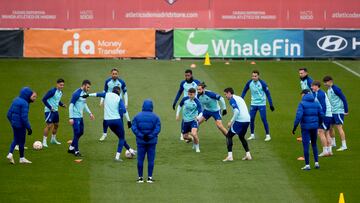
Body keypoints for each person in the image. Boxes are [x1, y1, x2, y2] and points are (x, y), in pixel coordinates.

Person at [83, 86, 136, 160]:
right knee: (121, 138)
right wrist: (129, 121)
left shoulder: (106, 94)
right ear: (119, 92)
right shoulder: (119, 99)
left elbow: (97, 94)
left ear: (112, 91)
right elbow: (124, 110)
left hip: (108, 122)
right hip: (117, 121)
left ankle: (131, 150)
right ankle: (117, 157)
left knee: (120, 137)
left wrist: (88, 95)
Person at [292, 89, 324, 170]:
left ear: (304, 94)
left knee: (306, 145)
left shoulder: (302, 103)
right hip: (314, 127)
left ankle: (307, 165)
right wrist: (319, 124)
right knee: (314, 144)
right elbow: (321, 115)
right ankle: (317, 163)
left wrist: (294, 127)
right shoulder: (316, 103)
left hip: (305, 127)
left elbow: (298, 116)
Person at [132, 99, 161, 183]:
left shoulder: (137, 116)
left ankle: (140, 178)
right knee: (151, 160)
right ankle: (149, 178)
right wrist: (150, 136)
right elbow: (158, 128)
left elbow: (134, 127)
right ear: (152, 107)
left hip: (141, 141)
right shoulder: (156, 117)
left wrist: (141, 135)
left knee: (140, 159)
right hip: (152, 141)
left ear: (143, 106)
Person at [241, 70, 274, 141]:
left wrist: (271, 104)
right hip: (253, 104)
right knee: (251, 119)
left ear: (258, 76)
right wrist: (241, 99)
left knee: (263, 119)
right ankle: (252, 135)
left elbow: (268, 94)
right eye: (252, 76)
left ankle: (268, 135)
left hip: (262, 104)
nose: (254, 77)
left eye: (255, 76)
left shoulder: (263, 83)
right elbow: (244, 91)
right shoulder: (249, 83)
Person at [6, 87, 37, 164]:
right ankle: (21, 158)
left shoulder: (15, 100)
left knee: (16, 139)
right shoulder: (25, 103)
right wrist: (29, 128)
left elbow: (8, 114)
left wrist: (12, 122)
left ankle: (10, 154)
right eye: (31, 95)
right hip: (21, 125)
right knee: (21, 141)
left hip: (14, 124)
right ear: (27, 95)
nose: (33, 98)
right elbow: (24, 118)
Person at [223, 88, 252, 162]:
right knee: (241, 136)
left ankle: (230, 156)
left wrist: (231, 121)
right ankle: (248, 155)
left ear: (229, 93)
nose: (225, 96)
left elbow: (236, 111)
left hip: (240, 120)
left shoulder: (232, 99)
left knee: (229, 136)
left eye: (225, 94)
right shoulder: (239, 98)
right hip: (247, 119)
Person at [99, 68, 128, 141]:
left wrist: (126, 103)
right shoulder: (107, 81)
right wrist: (101, 100)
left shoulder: (122, 82)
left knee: (120, 117)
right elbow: (104, 91)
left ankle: (121, 134)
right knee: (106, 118)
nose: (114, 75)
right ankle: (104, 134)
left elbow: (125, 93)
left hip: (118, 102)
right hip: (108, 102)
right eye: (113, 74)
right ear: (111, 74)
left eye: (116, 74)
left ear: (118, 74)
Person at [68, 80, 95, 157]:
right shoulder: (76, 93)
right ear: (83, 85)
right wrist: (71, 117)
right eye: (88, 87)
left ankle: (71, 147)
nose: (88, 89)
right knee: (76, 133)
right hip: (75, 117)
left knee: (81, 132)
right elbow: (71, 106)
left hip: (80, 116)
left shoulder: (84, 93)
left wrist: (90, 113)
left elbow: (84, 104)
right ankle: (76, 151)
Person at [172, 69, 201, 140]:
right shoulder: (183, 83)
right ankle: (183, 134)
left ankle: (193, 134)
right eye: (186, 75)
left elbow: (201, 90)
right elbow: (179, 92)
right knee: (185, 118)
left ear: (191, 75)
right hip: (186, 103)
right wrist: (175, 101)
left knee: (195, 118)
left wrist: (200, 101)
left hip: (195, 104)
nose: (187, 77)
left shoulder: (196, 82)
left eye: (188, 75)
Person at [323, 76, 349, 151]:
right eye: (324, 82)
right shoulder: (329, 90)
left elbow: (344, 99)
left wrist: (346, 110)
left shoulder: (336, 89)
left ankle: (344, 145)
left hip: (338, 111)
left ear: (330, 81)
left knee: (339, 127)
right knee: (330, 127)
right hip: (332, 111)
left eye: (326, 82)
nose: (325, 84)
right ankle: (333, 143)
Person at [176, 88, 202, 152]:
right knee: (185, 137)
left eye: (191, 94)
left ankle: (197, 147)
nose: (190, 96)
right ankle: (193, 139)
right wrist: (177, 114)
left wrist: (198, 117)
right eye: (189, 94)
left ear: (194, 94)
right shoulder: (185, 99)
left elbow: (201, 112)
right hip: (185, 121)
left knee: (194, 133)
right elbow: (179, 106)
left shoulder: (197, 101)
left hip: (193, 120)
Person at [42, 78, 66, 147]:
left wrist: (62, 105)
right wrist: (50, 107)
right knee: (49, 125)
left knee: (56, 125)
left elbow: (57, 101)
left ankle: (53, 139)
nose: (62, 86)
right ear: (57, 84)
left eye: (63, 85)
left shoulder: (60, 92)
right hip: (49, 111)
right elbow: (44, 99)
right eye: (60, 85)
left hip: (55, 111)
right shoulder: (52, 91)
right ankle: (44, 141)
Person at [311, 81, 333, 156]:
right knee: (327, 132)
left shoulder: (320, 94)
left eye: (313, 86)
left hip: (325, 115)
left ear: (317, 86)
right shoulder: (317, 93)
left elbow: (324, 107)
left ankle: (325, 151)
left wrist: (321, 117)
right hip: (328, 115)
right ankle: (329, 151)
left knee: (320, 131)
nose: (311, 87)